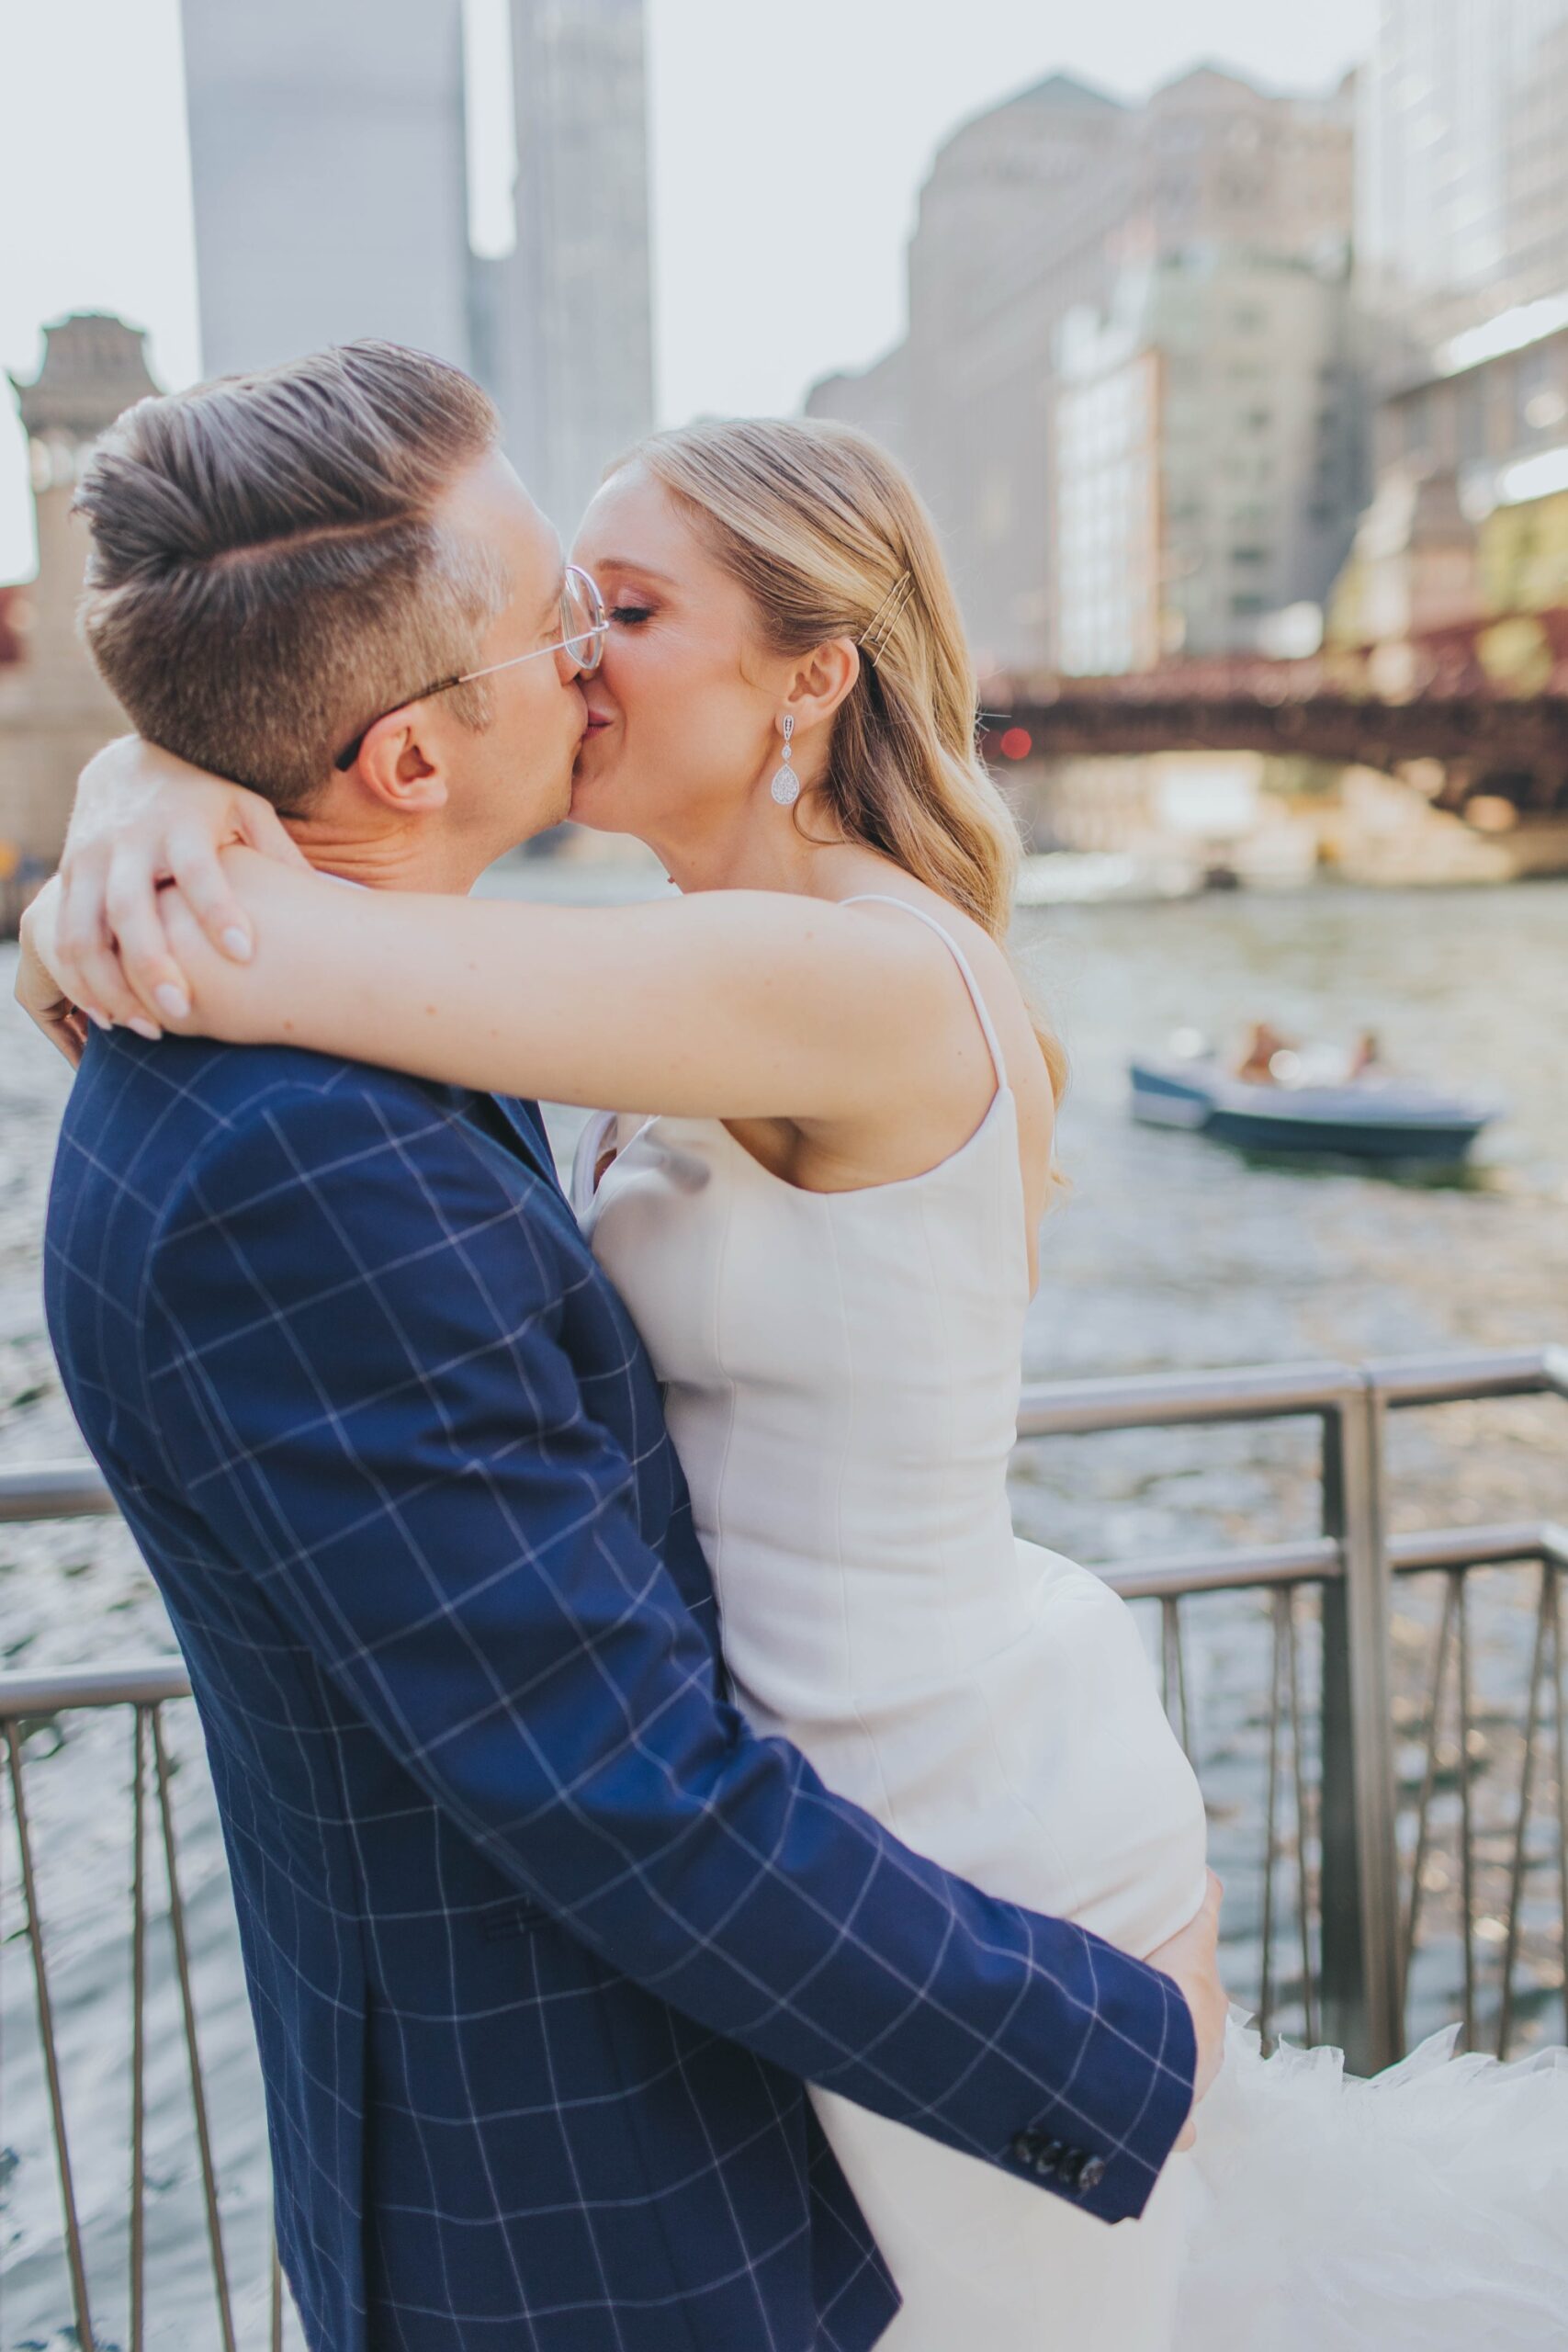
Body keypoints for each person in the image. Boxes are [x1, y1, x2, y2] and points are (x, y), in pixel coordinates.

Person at [24, 352, 1568, 2348]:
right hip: (801, 1860)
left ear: (808, 675)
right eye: (563, 609)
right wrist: (155, 774)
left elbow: (293, 941)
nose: (578, 659)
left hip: (929, 1809)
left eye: (628, 613)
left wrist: (139, 822)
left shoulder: (841, 973)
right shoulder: (536, 1008)